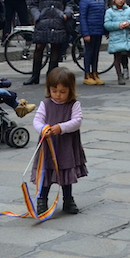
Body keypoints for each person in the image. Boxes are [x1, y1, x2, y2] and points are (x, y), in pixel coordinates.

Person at [32, 67, 87, 216]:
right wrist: (43, 129)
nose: (58, 95)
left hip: (66, 146)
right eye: (54, 90)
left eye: (63, 92)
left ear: (70, 90)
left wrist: (61, 127)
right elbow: (37, 120)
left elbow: (77, 121)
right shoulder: (45, 104)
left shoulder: (74, 105)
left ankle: (68, 199)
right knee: (46, 173)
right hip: (48, 147)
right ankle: (42, 199)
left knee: (66, 172)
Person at [24, 0, 73, 86]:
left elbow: (69, 2)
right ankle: (35, 76)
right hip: (43, 20)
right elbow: (33, 3)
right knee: (39, 47)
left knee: (56, 47)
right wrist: (37, 16)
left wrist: (66, 14)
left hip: (58, 20)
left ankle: (52, 76)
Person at [104, 0, 130, 86]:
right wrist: (118, 25)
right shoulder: (109, 12)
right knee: (117, 58)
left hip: (128, 38)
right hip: (116, 38)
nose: (121, 0)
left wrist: (129, 23)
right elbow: (107, 24)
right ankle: (119, 76)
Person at [78, 0, 106, 85]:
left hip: (98, 30)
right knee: (89, 53)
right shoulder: (84, 1)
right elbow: (83, 18)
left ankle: (95, 73)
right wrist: (85, 33)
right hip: (90, 31)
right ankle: (87, 74)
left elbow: (104, 16)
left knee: (96, 53)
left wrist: (105, 30)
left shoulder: (101, 0)